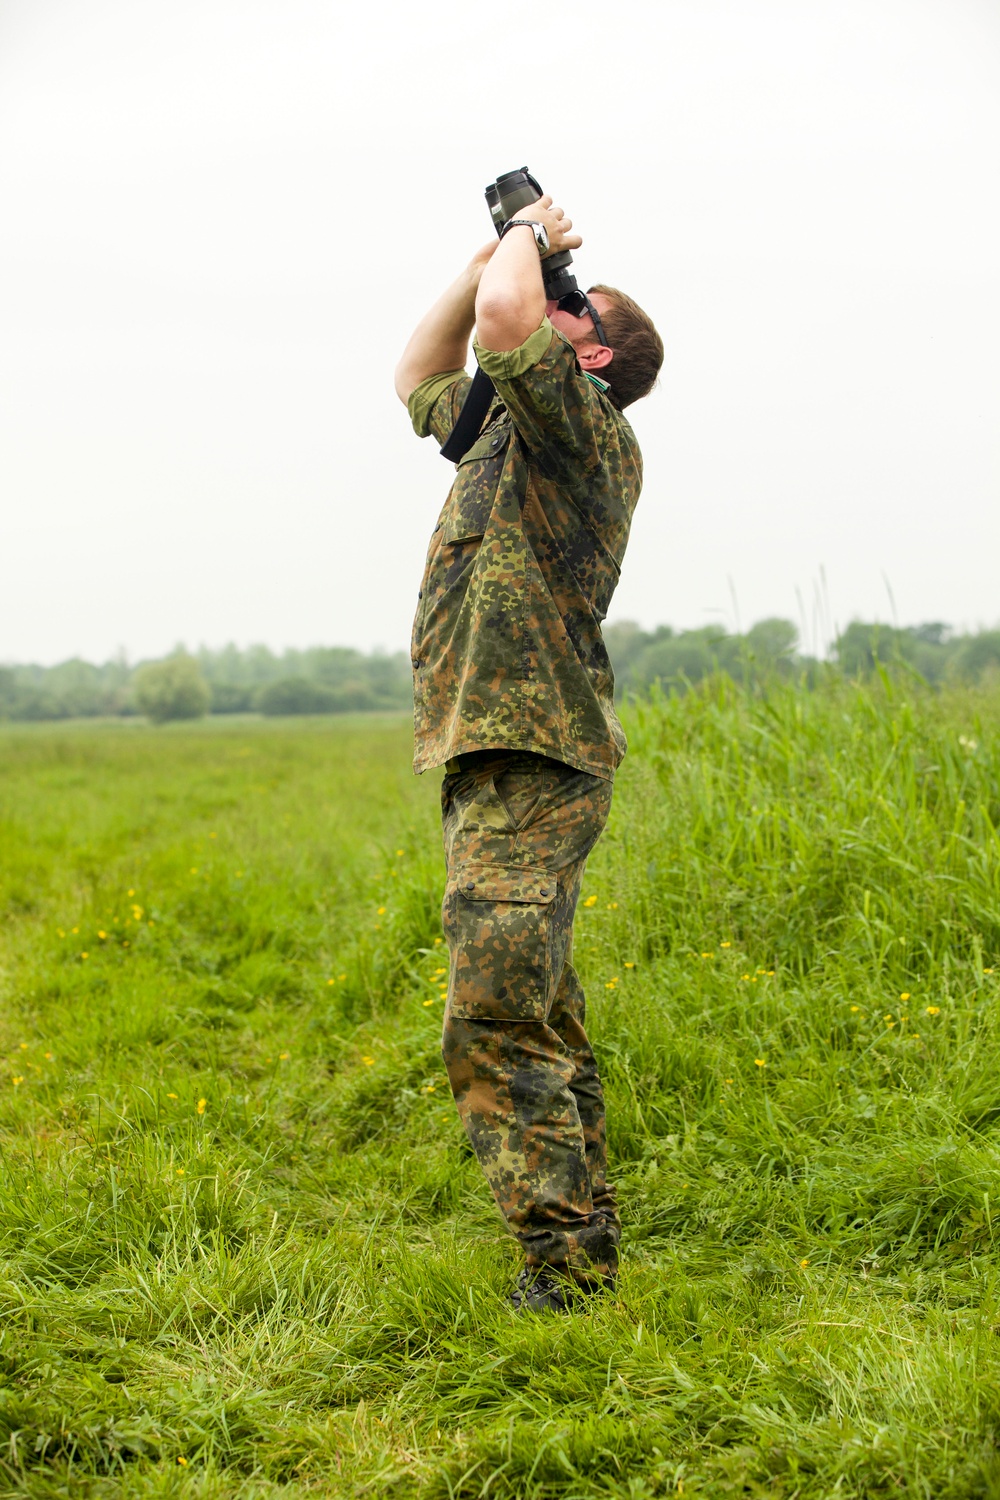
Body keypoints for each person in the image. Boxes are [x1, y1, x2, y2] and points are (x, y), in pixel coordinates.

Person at [394, 191, 663, 1313]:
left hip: (537, 753)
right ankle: (581, 1230)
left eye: (570, 307)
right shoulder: (506, 425)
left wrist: (530, 248)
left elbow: (509, 320)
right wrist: (487, 257)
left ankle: (562, 1270)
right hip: (491, 752)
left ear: (589, 350)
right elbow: (419, 371)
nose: (547, 306)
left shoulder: (584, 430)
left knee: (494, 1012)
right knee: (536, 1004)